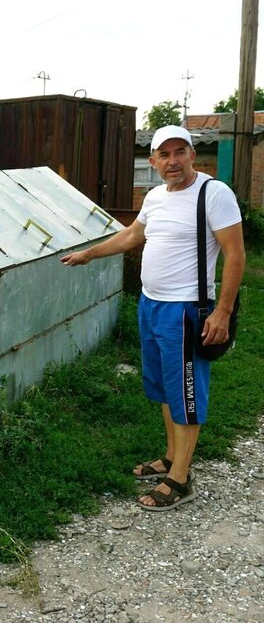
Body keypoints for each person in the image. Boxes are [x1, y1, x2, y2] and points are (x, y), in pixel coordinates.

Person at [60, 124, 245, 511]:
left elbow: (236, 254)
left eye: (180, 152)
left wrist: (223, 311)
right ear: (153, 161)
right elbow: (131, 236)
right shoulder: (156, 196)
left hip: (187, 311)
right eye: (165, 154)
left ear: (193, 155)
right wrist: (88, 254)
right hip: (150, 305)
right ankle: (171, 457)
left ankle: (181, 479)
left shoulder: (214, 194)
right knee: (163, 388)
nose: (173, 161)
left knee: (186, 393)